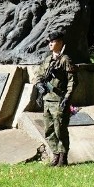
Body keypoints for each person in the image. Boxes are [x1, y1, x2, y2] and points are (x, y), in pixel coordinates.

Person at [35, 31, 75, 167]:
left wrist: (67, 97)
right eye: (49, 42)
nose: (50, 44)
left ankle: (63, 157)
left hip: (59, 100)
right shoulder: (47, 59)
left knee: (60, 130)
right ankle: (55, 155)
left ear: (60, 43)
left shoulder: (65, 60)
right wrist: (39, 84)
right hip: (47, 100)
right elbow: (39, 75)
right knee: (49, 130)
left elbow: (72, 81)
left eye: (53, 41)